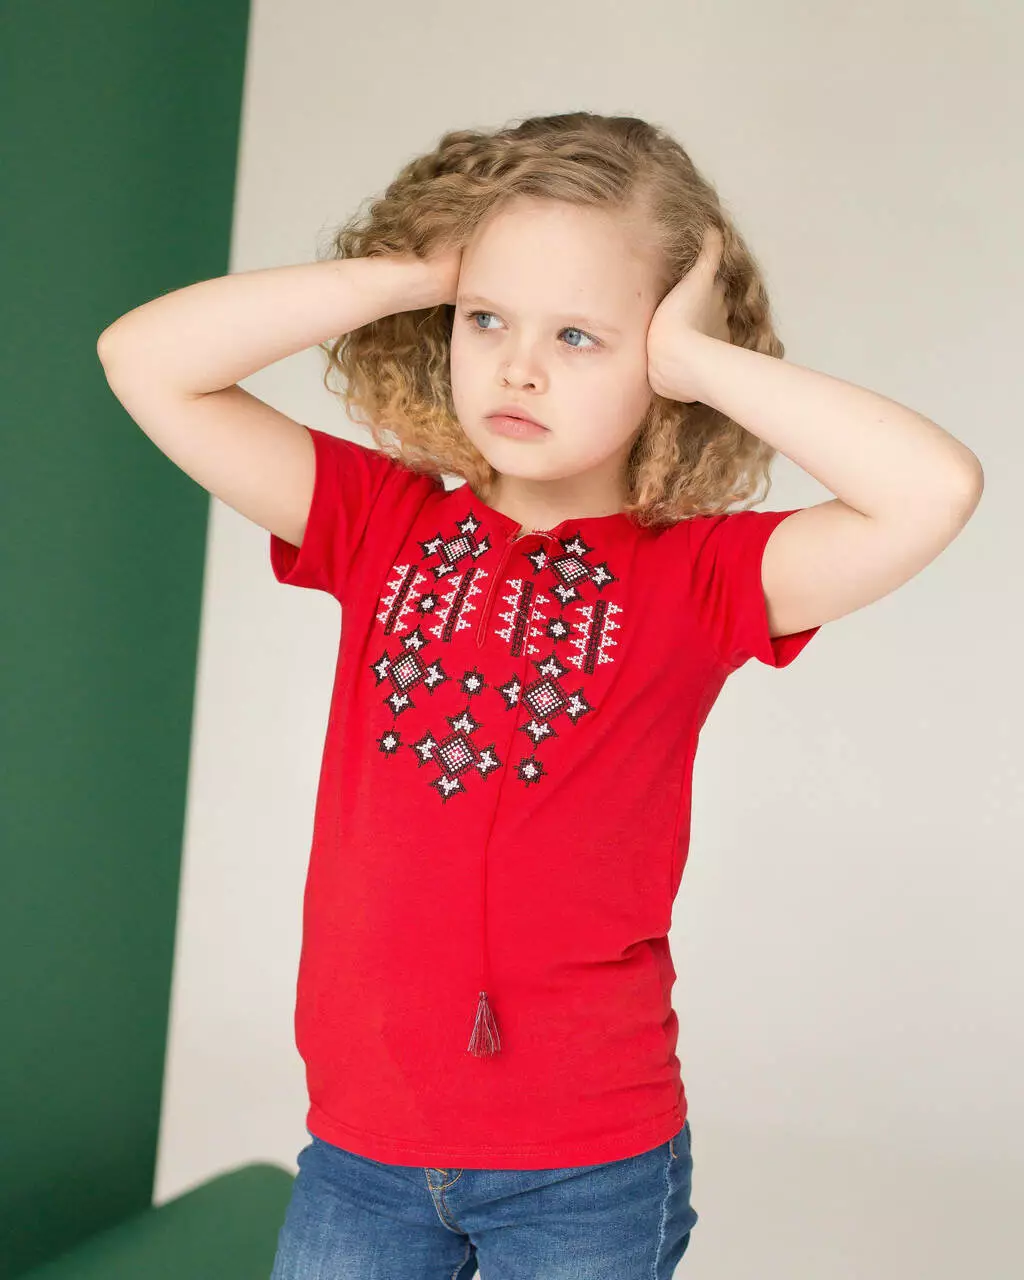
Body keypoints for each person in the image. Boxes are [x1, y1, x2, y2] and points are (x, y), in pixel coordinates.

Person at [96, 111, 983, 1279]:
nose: (519, 366)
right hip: (360, 1150)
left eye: (577, 334)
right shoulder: (376, 522)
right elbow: (145, 358)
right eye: (486, 319)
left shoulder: (702, 577)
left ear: (659, 355)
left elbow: (930, 489)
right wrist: (419, 270)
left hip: (587, 1168)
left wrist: (698, 363)